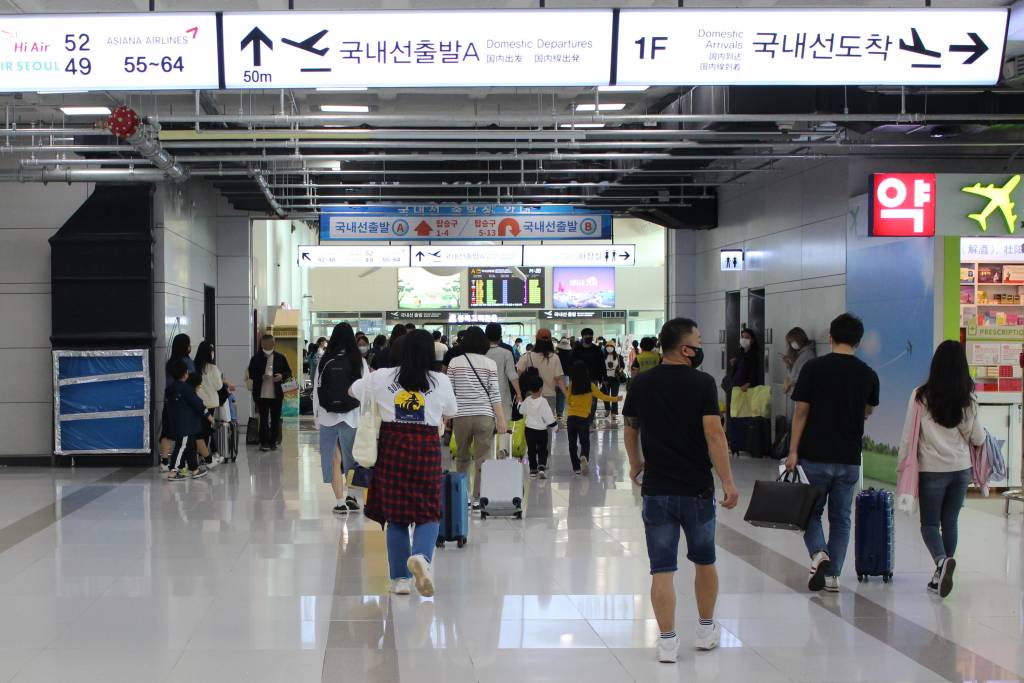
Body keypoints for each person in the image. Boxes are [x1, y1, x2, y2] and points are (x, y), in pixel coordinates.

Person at [622, 318, 739, 663]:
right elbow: (714, 434)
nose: (701, 347)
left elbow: (630, 429)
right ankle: (705, 630)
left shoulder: (641, 383)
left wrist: (635, 463)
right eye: (698, 342)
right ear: (686, 349)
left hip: (657, 490)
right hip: (697, 489)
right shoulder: (703, 383)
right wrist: (728, 482)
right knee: (705, 561)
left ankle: (667, 642)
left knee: (662, 568)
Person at [349, 330, 458, 597]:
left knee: (396, 516)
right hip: (426, 449)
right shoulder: (440, 380)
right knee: (428, 511)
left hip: (393, 448)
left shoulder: (381, 377)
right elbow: (452, 411)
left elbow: (352, 390)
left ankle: (400, 580)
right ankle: (421, 557)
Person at [786, 313, 880, 593]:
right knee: (841, 519)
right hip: (848, 458)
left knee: (809, 513)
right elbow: (868, 410)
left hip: (814, 455)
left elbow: (801, 411)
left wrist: (793, 451)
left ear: (830, 337)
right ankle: (833, 576)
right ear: (858, 342)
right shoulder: (868, 374)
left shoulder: (813, 368)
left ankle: (819, 554)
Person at [897, 340, 984, 599]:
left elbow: (908, 436)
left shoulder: (920, 396)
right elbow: (978, 438)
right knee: (950, 523)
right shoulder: (968, 399)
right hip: (960, 469)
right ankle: (943, 571)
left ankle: (941, 562)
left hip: (932, 470)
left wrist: (902, 465)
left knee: (929, 525)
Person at [446, 326, 508, 507]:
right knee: (483, 458)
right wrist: (501, 419)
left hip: (461, 416)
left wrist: (446, 418)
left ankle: (463, 495)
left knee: (462, 457)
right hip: (484, 416)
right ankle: (478, 497)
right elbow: (494, 393)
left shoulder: (455, 362)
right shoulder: (489, 364)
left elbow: (450, 393)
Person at [314, 322, 369, 515]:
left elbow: (317, 390)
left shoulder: (324, 359)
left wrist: (317, 418)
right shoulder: (359, 361)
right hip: (352, 416)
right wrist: (365, 417)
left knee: (333, 458)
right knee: (351, 457)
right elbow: (366, 391)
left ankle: (339, 503)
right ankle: (351, 496)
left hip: (327, 416)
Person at [566, 361, 620, 475]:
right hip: (584, 418)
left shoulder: (572, 385)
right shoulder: (590, 386)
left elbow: (568, 401)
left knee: (572, 444)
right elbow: (603, 396)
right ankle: (584, 456)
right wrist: (616, 399)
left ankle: (576, 468)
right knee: (584, 442)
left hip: (571, 418)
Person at [164, 359, 212, 481]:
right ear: (185, 374)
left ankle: (194, 469)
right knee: (181, 447)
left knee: (190, 447)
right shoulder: (186, 388)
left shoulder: (171, 389)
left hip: (177, 423)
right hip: (185, 425)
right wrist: (208, 415)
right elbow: (197, 403)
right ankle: (173, 471)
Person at [247, 334, 293, 452]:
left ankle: (273, 442)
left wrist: (281, 376)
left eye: (272, 342)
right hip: (261, 393)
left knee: (275, 418)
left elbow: (288, 372)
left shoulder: (280, 357)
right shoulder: (256, 358)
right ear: (262, 344)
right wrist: (261, 377)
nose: (271, 344)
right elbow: (251, 374)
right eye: (267, 342)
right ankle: (264, 442)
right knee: (263, 418)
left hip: (276, 393)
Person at [194, 341, 233, 468]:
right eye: (212, 351)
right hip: (210, 403)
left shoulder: (193, 366)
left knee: (199, 429)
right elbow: (219, 386)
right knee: (206, 430)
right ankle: (206, 457)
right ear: (209, 353)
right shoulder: (212, 368)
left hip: (196, 402)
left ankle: (201, 455)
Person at [160, 334, 195, 471]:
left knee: (167, 431)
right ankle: (181, 462)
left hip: (169, 401)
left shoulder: (169, 363)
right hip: (183, 403)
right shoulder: (187, 362)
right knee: (184, 434)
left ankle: (164, 461)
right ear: (185, 346)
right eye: (189, 344)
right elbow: (193, 381)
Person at [485, 322, 522, 449]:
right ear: (500, 336)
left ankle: (489, 452)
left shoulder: (480, 352)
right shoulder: (506, 352)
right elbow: (512, 375)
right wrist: (519, 394)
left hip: (484, 396)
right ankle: (502, 450)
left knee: (486, 427)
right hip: (502, 396)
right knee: (503, 422)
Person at [516, 329, 567, 418]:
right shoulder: (554, 357)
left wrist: (518, 393)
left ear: (537, 340)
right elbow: (559, 380)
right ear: (550, 341)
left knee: (531, 422)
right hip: (549, 397)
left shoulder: (528, 356)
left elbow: (517, 375)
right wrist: (567, 395)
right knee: (547, 423)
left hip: (531, 396)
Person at [521, 374, 558, 478]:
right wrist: (555, 427)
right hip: (541, 430)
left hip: (529, 429)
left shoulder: (527, 400)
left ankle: (533, 470)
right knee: (542, 449)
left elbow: (521, 410)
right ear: (541, 388)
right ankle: (541, 467)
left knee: (531, 449)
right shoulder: (543, 402)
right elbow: (549, 417)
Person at [783, 327, 815, 403]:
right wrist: (789, 364)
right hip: (795, 392)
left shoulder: (808, 354)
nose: (792, 344)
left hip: (801, 394)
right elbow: (794, 373)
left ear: (799, 339)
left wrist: (789, 383)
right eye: (790, 342)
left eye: (793, 341)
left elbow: (803, 374)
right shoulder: (799, 354)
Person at [602, 341, 625, 425]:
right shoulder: (602, 357)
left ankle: (614, 412)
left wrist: (620, 370)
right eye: (607, 346)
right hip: (605, 379)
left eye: (611, 346)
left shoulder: (619, 357)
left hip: (615, 379)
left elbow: (622, 365)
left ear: (614, 347)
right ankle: (607, 409)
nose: (609, 347)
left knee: (614, 396)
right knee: (605, 395)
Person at [555, 337, 574, 421]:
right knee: (562, 395)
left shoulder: (556, 355)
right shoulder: (571, 355)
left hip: (556, 376)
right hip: (565, 377)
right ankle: (560, 413)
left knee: (556, 394)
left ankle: (556, 411)